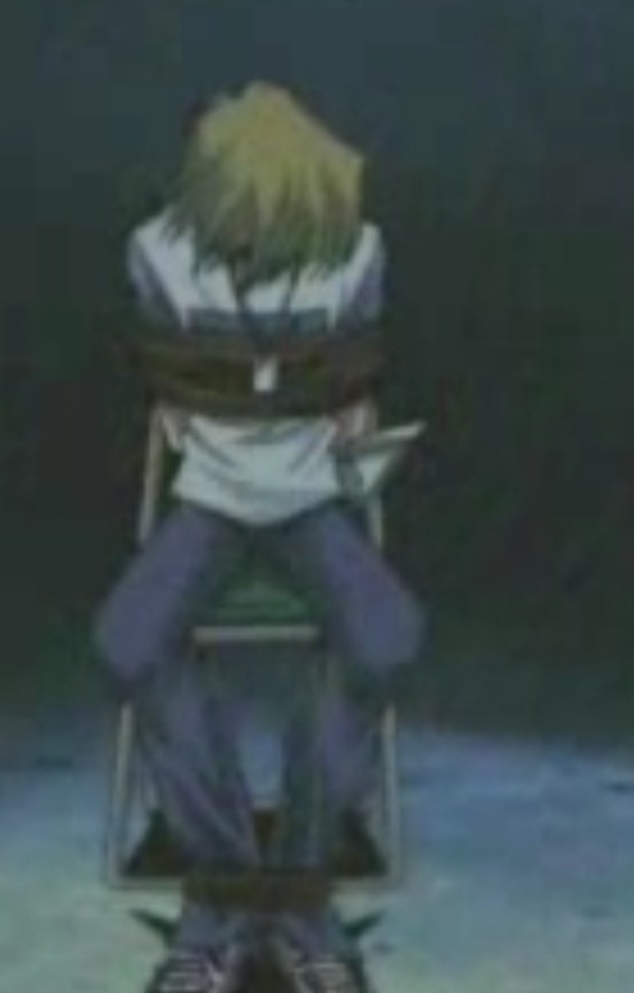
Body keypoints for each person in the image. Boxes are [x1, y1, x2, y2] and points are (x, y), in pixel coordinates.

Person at [94, 81, 425, 993]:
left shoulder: (355, 254)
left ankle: (298, 887)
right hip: (212, 498)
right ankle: (232, 891)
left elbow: (349, 383)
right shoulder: (160, 255)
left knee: (388, 638)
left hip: (310, 499)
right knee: (128, 640)